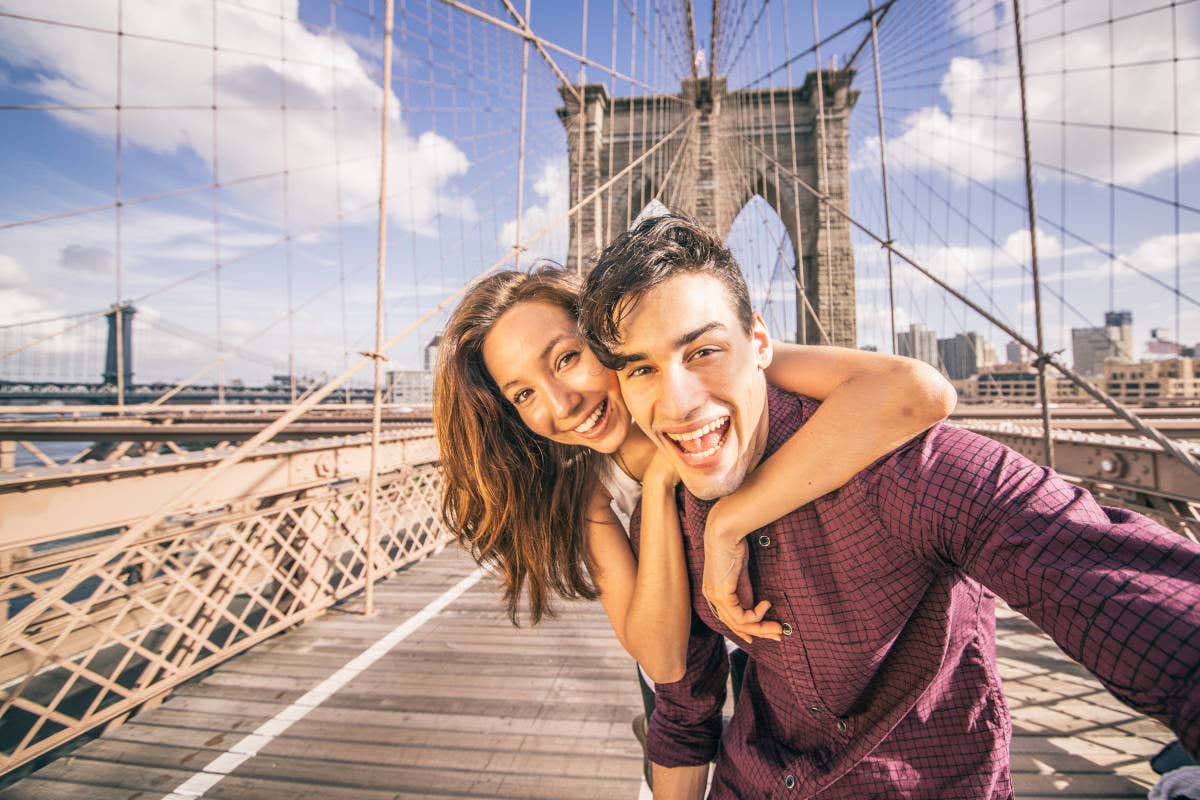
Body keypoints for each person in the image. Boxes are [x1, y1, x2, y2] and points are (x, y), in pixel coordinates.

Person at [577, 212, 1200, 799]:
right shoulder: (674, 512)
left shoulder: (906, 472)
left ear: (760, 342)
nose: (679, 403)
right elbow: (684, 710)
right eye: (640, 369)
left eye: (704, 351)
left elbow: (1137, 605)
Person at [433, 265, 956, 782]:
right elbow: (663, 659)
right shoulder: (587, 490)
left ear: (608, 335)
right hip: (686, 687)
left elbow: (917, 392)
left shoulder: (721, 367)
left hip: (803, 654)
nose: (561, 405)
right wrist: (660, 486)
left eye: (567, 358)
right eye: (523, 394)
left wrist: (728, 521)